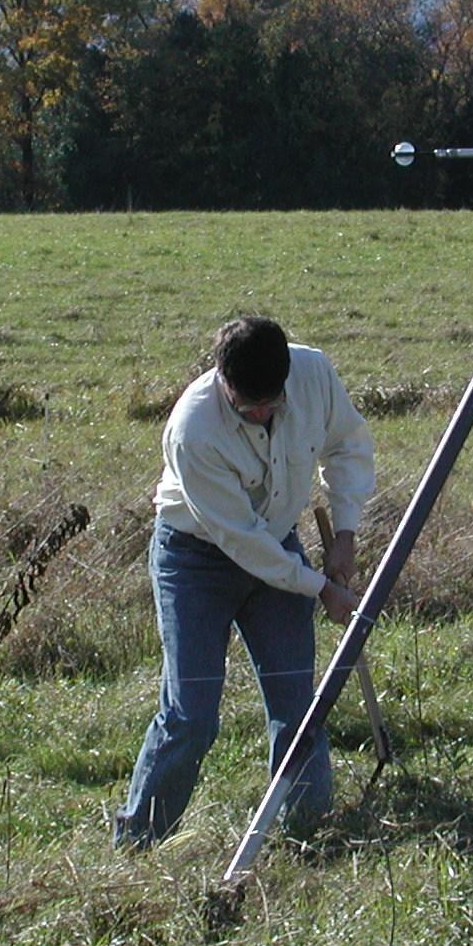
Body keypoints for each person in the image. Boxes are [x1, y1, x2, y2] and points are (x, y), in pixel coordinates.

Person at [114, 316, 375, 847]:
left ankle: (308, 834)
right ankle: (139, 841)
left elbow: (347, 446)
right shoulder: (193, 429)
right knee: (191, 716)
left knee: (298, 707)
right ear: (222, 379)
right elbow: (242, 542)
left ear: (286, 378)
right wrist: (321, 588)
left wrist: (345, 534)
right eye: (245, 406)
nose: (259, 414)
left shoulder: (313, 375)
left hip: (277, 544)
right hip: (196, 561)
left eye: (270, 404)